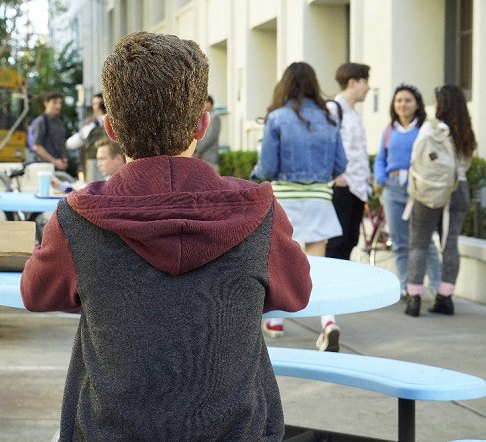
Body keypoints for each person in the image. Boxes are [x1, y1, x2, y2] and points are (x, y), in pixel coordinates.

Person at [21, 31, 311, 440]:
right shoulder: (259, 213)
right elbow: (296, 292)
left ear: (111, 129)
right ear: (202, 125)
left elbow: (36, 293)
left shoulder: (75, 219)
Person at [251, 61, 347, 352]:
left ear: (285, 85)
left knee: (282, 263)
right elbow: (340, 164)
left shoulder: (277, 118)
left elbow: (267, 166)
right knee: (319, 265)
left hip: (286, 200)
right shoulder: (329, 119)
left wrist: (253, 178)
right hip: (319, 198)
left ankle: (277, 321)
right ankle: (328, 322)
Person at [404, 85, 477, 316]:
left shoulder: (431, 128)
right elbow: (466, 163)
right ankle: (446, 298)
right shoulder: (466, 131)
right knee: (450, 244)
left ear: (441, 104)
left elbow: (416, 158)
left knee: (419, 243)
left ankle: (414, 298)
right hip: (459, 188)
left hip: (429, 192)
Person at [373, 84, 441, 299]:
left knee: (424, 240)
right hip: (392, 189)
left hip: (418, 189)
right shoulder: (389, 129)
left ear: (417, 104)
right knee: (400, 242)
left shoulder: (425, 128)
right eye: (399, 100)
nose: (403, 104)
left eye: (408, 100)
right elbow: (380, 158)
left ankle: (438, 287)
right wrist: (382, 178)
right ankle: (405, 287)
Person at [326, 63, 371, 261]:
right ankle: (330, 288)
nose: (368, 87)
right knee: (337, 242)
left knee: (351, 240)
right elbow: (324, 143)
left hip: (358, 188)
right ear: (352, 82)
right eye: (365, 82)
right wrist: (336, 176)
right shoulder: (333, 109)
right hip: (342, 187)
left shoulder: (354, 113)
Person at [66, 92, 107, 181]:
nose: (96, 107)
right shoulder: (114, 121)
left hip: (94, 164)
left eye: (99, 104)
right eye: (94, 104)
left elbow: (70, 143)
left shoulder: (91, 125)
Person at [30, 92, 68, 171]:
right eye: (54, 102)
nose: (58, 106)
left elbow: (62, 143)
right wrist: (55, 162)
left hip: (59, 167)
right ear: (46, 103)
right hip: (44, 168)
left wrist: (64, 158)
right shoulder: (41, 121)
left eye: (60, 103)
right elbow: (37, 147)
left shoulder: (59, 122)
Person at [195, 95, 221, 168]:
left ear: (209, 103)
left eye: (203, 103)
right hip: (202, 156)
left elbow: (211, 137)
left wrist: (198, 150)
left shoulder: (215, 117)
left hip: (209, 156)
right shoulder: (204, 116)